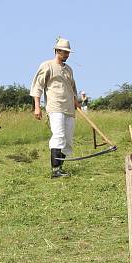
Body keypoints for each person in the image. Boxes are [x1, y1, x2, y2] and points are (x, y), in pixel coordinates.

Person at [30, 37, 82, 178]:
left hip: (69, 109)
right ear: (57, 50)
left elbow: (72, 88)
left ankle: (60, 168)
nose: (67, 55)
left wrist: (76, 101)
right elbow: (37, 87)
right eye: (64, 52)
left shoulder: (69, 70)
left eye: (68, 52)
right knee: (58, 136)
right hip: (55, 107)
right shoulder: (47, 66)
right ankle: (55, 171)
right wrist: (37, 107)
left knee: (68, 141)